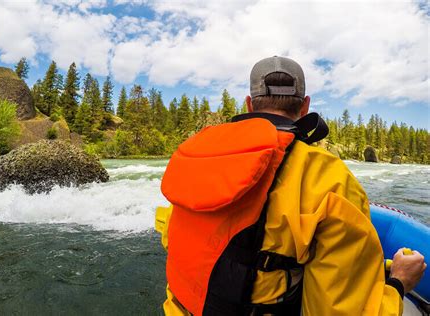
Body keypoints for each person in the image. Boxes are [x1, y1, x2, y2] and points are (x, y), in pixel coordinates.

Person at [155, 56, 426, 315]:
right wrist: (398, 283)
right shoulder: (327, 175)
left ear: (250, 104)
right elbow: (339, 310)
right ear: (305, 106)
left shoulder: (197, 160)